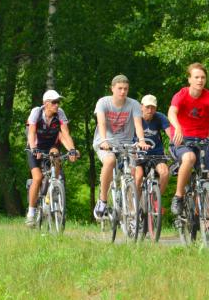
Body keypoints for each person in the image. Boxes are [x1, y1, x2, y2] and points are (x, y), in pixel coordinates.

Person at [167, 63, 209, 216]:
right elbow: (171, 112)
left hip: (202, 141)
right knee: (189, 158)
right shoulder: (181, 95)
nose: (200, 80)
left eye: (203, 77)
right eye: (196, 77)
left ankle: (205, 218)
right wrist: (177, 127)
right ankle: (178, 197)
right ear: (189, 79)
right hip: (182, 140)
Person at [92, 75, 150, 219]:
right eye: (119, 88)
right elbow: (101, 123)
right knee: (110, 161)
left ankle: (130, 208)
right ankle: (102, 201)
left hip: (126, 143)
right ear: (112, 88)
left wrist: (142, 140)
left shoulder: (134, 104)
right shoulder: (103, 102)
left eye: (125, 89)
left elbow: (138, 125)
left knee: (134, 171)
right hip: (106, 141)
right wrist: (104, 140)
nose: (123, 91)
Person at [25, 89, 79, 227]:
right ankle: (31, 213)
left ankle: (55, 189)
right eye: (54, 102)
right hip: (35, 145)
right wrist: (34, 148)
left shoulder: (60, 113)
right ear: (46, 103)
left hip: (51, 146)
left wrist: (72, 150)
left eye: (58, 102)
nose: (57, 105)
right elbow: (31, 132)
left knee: (56, 161)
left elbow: (65, 134)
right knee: (37, 178)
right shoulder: (37, 112)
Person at [134, 94, 171, 199]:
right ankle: (136, 203)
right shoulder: (136, 118)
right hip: (138, 153)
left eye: (153, 107)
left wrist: (176, 142)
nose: (150, 110)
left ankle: (156, 200)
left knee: (164, 173)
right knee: (138, 176)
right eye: (147, 107)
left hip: (156, 153)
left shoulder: (160, 117)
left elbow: (170, 133)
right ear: (141, 106)